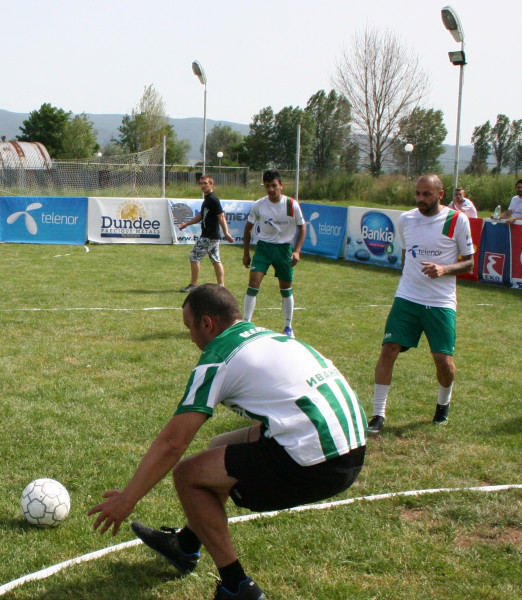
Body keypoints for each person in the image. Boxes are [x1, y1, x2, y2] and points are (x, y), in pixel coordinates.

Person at [88, 284, 366, 600]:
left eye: (189, 327)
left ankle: (237, 586)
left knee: (188, 475)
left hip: (316, 462)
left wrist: (128, 499)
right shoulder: (268, 336)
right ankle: (186, 546)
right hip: (352, 446)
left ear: (207, 323)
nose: (191, 337)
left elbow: (173, 443)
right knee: (218, 448)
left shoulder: (219, 356)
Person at [368, 174, 474, 434]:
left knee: (443, 362)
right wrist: (411, 279)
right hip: (408, 297)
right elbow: (407, 256)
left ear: (440, 194)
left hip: (440, 301)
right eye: (418, 193)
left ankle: (443, 404)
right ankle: (378, 414)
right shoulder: (406, 219)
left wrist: (444, 268)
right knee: (389, 348)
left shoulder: (457, 220)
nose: (420, 199)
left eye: (426, 194)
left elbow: (470, 262)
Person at [241, 170, 306, 338]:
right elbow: (248, 229)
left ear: (281, 186)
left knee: (285, 288)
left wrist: (297, 251)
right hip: (263, 248)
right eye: (267, 186)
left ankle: (288, 327)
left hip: (284, 249)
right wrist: (246, 253)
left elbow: (302, 227)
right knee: (253, 283)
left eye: (274, 186)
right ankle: (246, 323)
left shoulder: (291, 205)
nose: (271, 189)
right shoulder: (259, 205)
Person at [178, 176, 235, 292]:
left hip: (209, 236)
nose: (203, 185)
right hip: (211, 236)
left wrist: (226, 233)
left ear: (211, 184)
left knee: (194, 257)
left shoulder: (213, 199)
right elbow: (200, 216)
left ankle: (193, 285)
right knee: (215, 259)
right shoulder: (207, 199)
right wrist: (186, 224)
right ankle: (221, 286)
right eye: (201, 183)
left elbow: (221, 216)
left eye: (205, 183)